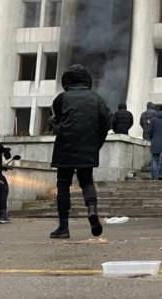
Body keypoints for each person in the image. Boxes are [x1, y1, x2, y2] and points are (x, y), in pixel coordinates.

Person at [48, 64, 112, 239]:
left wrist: (54, 124)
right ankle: (92, 209)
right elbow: (106, 123)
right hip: (88, 147)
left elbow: (58, 121)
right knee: (86, 181)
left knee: (63, 184)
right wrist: (96, 143)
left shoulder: (61, 98)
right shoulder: (97, 99)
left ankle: (63, 227)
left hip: (65, 147)